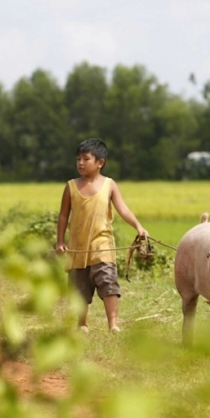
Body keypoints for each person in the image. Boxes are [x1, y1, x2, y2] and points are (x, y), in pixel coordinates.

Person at [55, 138, 148, 333]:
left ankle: (113, 324)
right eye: (78, 159)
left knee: (108, 282)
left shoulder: (109, 185)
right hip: (77, 246)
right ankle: (82, 323)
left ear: (100, 162)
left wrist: (138, 227)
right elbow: (64, 215)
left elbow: (123, 209)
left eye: (86, 159)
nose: (80, 163)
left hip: (102, 244)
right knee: (79, 288)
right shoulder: (71, 186)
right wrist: (60, 241)